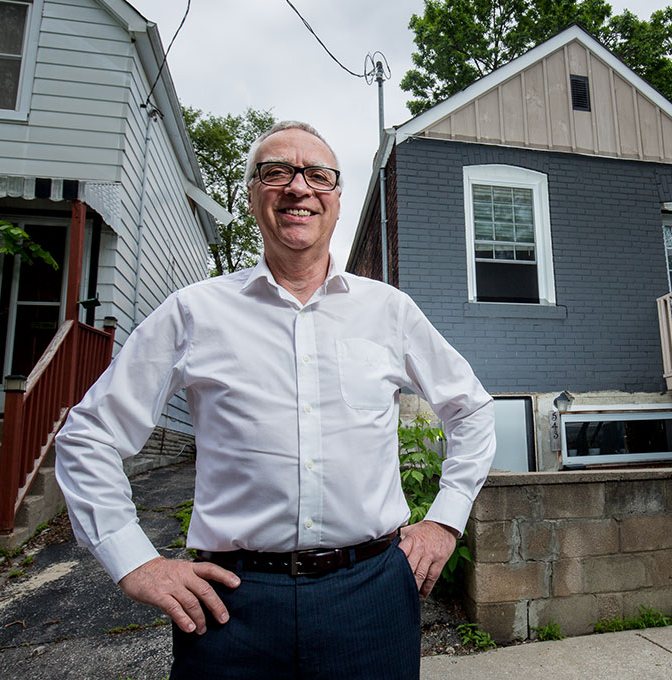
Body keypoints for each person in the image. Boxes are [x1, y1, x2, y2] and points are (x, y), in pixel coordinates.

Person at [54, 120, 496, 679]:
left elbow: (473, 410)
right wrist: (134, 560)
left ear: (336, 199)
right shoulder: (195, 312)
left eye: (317, 175)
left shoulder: (388, 310)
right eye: (276, 172)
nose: (298, 187)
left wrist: (445, 521)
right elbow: (88, 435)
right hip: (232, 606)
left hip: (372, 596)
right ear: (252, 194)